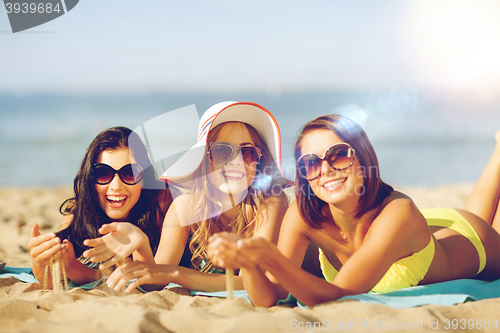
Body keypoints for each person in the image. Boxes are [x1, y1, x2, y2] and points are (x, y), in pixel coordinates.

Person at [207, 114, 500, 307]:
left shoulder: (400, 212)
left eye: (338, 155)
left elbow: (340, 295)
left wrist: (270, 256)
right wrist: (248, 261)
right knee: (471, 210)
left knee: (480, 222)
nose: (326, 169)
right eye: (311, 163)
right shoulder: (303, 216)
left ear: (363, 156)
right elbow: (270, 298)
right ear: (303, 174)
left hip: (475, 241)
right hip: (427, 231)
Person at [100, 101, 291, 293]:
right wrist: (141, 245)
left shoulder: (270, 203)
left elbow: (251, 284)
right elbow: (155, 280)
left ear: (259, 160)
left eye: (247, 152)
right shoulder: (187, 206)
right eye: (222, 152)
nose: (236, 162)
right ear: (203, 161)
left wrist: (177, 274)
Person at [28, 126, 173, 287]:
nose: (116, 186)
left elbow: (154, 283)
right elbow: (53, 284)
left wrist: (81, 272)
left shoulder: (163, 205)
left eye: (130, 173)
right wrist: (39, 262)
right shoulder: (79, 209)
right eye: (103, 173)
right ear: (89, 178)